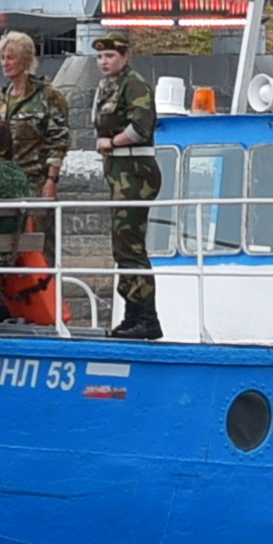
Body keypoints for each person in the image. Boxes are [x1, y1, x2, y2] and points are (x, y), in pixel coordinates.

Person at [0, 32, 72, 328]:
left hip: (35, 180)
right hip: (8, 183)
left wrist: (51, 179)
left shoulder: (48, 96)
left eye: (11, 57)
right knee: (8, 246)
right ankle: (17, 307)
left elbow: (58, 140)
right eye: (2, 58)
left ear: (27, 61)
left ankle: (49, 312)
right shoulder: (3, 98)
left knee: (40, 246)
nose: (5, 63)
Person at [84, 31, 163, 340]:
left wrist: (111, 143)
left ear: (125, 56)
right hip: (119, 173)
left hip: (135, 173)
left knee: (130, 245)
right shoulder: (107, 86)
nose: (104, 61)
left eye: (111, 56)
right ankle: (132, 314)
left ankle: (146, 316)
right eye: (100, 57)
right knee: (122, 246)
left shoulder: (135, 85)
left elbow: (141, 127)